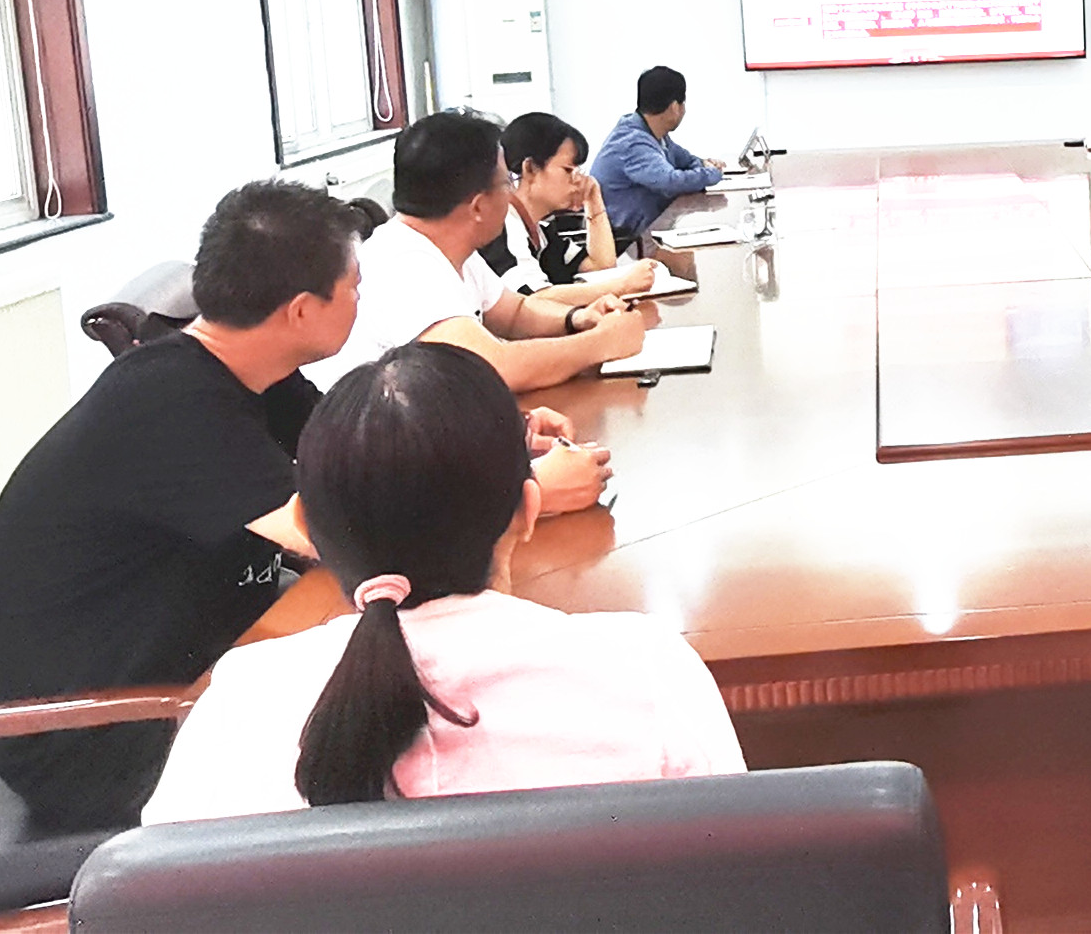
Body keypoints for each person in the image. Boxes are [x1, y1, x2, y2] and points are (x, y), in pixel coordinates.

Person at [142, 343, 744, 824]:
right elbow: (730, 877)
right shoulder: (646, 669)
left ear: (305, 527)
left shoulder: (243, 700)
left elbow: (163, 893)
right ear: (528, 509)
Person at [0, 181, 362, 833]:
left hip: (195, 672)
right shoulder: (173, 404)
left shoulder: (253, 372)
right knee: (387, 717)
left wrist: (495, 444)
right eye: (354, 285)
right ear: (301, 311)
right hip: (99, 742)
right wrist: (509, 491)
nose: (360, 299)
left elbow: (360, 449)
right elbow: (346, 536)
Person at [305, 112, 647, 394]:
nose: (512, 193)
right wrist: (602, 343)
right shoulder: (405, 263)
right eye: (506, 183)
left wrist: (578, 318)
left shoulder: (453, 248)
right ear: (479, 206)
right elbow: (491, 367)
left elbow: (515, 313)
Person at [477, 111, 655, 301]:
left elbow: (601, 265)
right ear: (530, 168)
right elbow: (533, 299)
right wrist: (621, 286)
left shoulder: (542, 232)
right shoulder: (504, 226)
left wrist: (594, 202)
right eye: (568, 170)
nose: (578, 180)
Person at [589, 66, 727, 243]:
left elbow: (686, 160)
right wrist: (713, 174)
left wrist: (702, 165)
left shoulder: (654, 133)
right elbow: (671, 182)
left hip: (650, 231)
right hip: (626, 241)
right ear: (674, 107)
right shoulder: (632, 142)